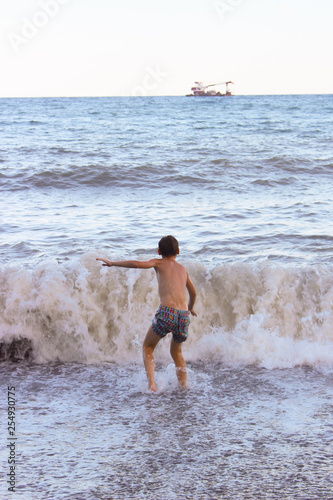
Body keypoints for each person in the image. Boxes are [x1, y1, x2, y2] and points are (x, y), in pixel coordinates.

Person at [96, 235, 197, 392]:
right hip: (183, 316)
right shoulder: (183, 269)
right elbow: (193, 292)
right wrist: (190, 308)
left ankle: (152, 386)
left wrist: (112, 263)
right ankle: (184, 387)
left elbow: (137, 264)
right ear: (178, 251)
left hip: (167, 312)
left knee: (148, 347)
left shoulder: (158, 262)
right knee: (177, 352)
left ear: (158, 251)